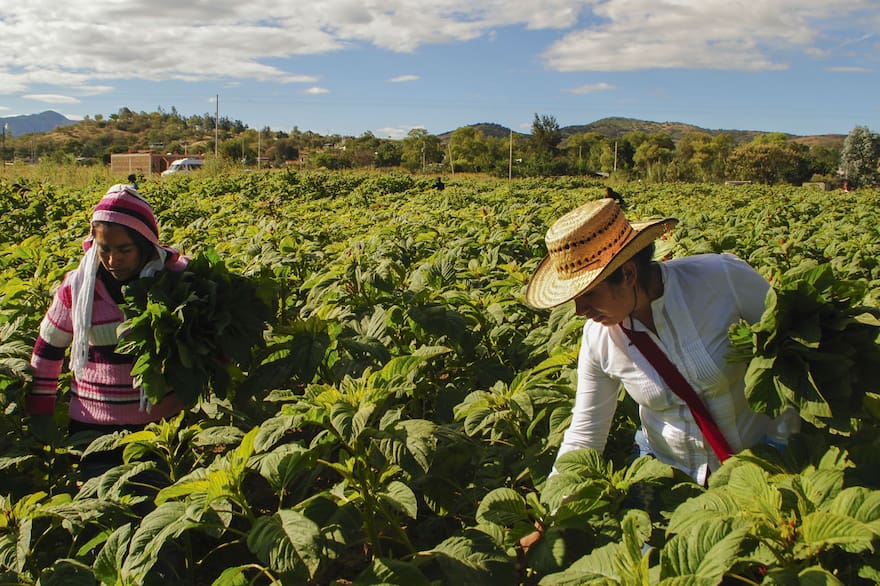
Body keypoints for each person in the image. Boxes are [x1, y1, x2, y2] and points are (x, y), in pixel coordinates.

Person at [524, 198, 779, 486]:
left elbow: (790, 348)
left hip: (757, 463)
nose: (580, 311)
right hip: (666, 475)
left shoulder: (721, 278)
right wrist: (553, 509)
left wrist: (784, 444)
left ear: (629, 274)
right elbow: (586, 431)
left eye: (589, 294)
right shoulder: (598, 338)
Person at [27, 184, 188, 473]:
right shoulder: (77, 288)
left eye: (124, 249)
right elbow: (48, 350)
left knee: (155, 499)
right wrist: (41, 414)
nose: (113, 259)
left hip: (160, 426)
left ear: (144, 244)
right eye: (105, 249)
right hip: (92, 427)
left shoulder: (173, 282)